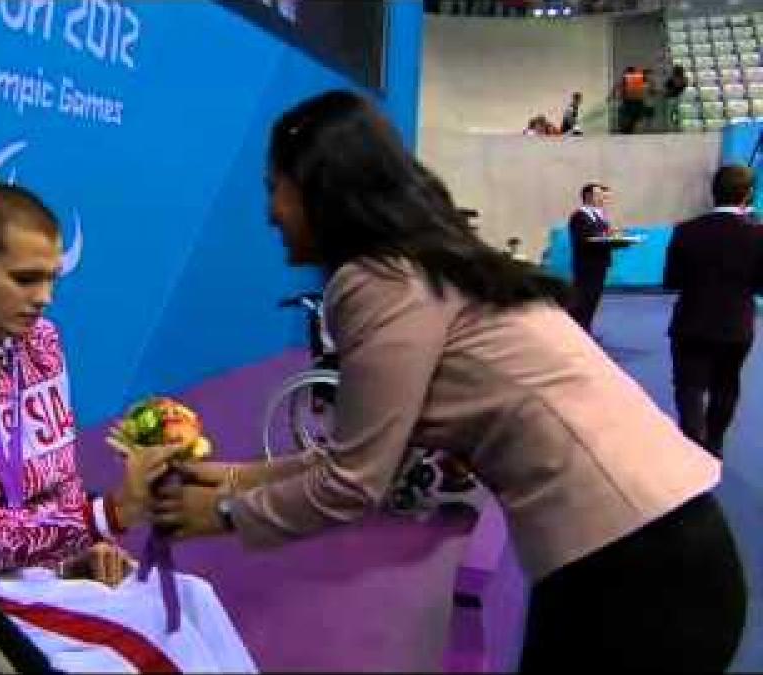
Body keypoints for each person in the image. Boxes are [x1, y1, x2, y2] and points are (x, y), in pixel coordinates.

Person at [145, 90, 746, 672]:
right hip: (667, 550)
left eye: (274, 188)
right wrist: (232, 476)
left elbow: (352, 486)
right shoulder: (426, 263)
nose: (270, 211)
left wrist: (220, 513)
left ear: (319, 188)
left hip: (635, 577)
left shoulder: (375, 279)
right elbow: (362, 457)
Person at [0, 183, 257, 673]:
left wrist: (91, 544)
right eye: (25, 279)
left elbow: (58, 473)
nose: (44, 298)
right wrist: (103, 515)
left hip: (48, 567)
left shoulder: (42, 342)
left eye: (51, 279)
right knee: (156, 637)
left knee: (193, 600)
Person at [663, 164, 763, 457]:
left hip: (691, 322)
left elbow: (671, 281)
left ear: (713, 193)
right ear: (748, 195)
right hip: (736, 326)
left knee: (689, 386)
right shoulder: (759, 235)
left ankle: (693, 443)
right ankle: (715, 443)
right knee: (726, 386)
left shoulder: (685, 231)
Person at [567, 182, 618, 332]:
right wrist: (604, 236)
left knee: (593, 299)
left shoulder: (598, 215)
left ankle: (585, 327)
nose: (601, 197)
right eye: (598, 194)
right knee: (583, 298)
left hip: (599, 263)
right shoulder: (579, 216)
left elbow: (603, 235)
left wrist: (612, 236)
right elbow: (584, 239)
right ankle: (575, 328)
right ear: (588, 196)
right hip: (586, 264)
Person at [662, 64, 689, 131]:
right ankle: (677, 126)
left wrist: (667, 92)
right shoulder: (683, 79)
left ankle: (670, 126)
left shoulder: (672, 78)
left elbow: (666, 86)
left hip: (670, 97)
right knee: (677, 112)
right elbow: (683, 86)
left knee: (670, 113)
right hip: (678, 97)